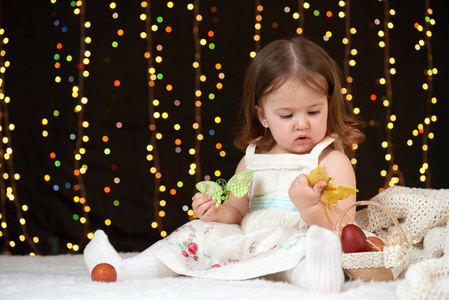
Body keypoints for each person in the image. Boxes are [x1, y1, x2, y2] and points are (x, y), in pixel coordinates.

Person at [84, 36, 365, 293]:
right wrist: (216, 214)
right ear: (263, 116)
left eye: (313, 111)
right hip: (250, 243)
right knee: (195, 232)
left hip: (295, 242)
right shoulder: (253, 160)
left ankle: (319, 276)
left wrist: (310, 207)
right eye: (287, 115)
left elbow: (343, 229)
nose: (302, 123)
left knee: (309, 247)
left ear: (329, 104)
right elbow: (236, 211)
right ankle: (126, 270)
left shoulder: (331, 160)